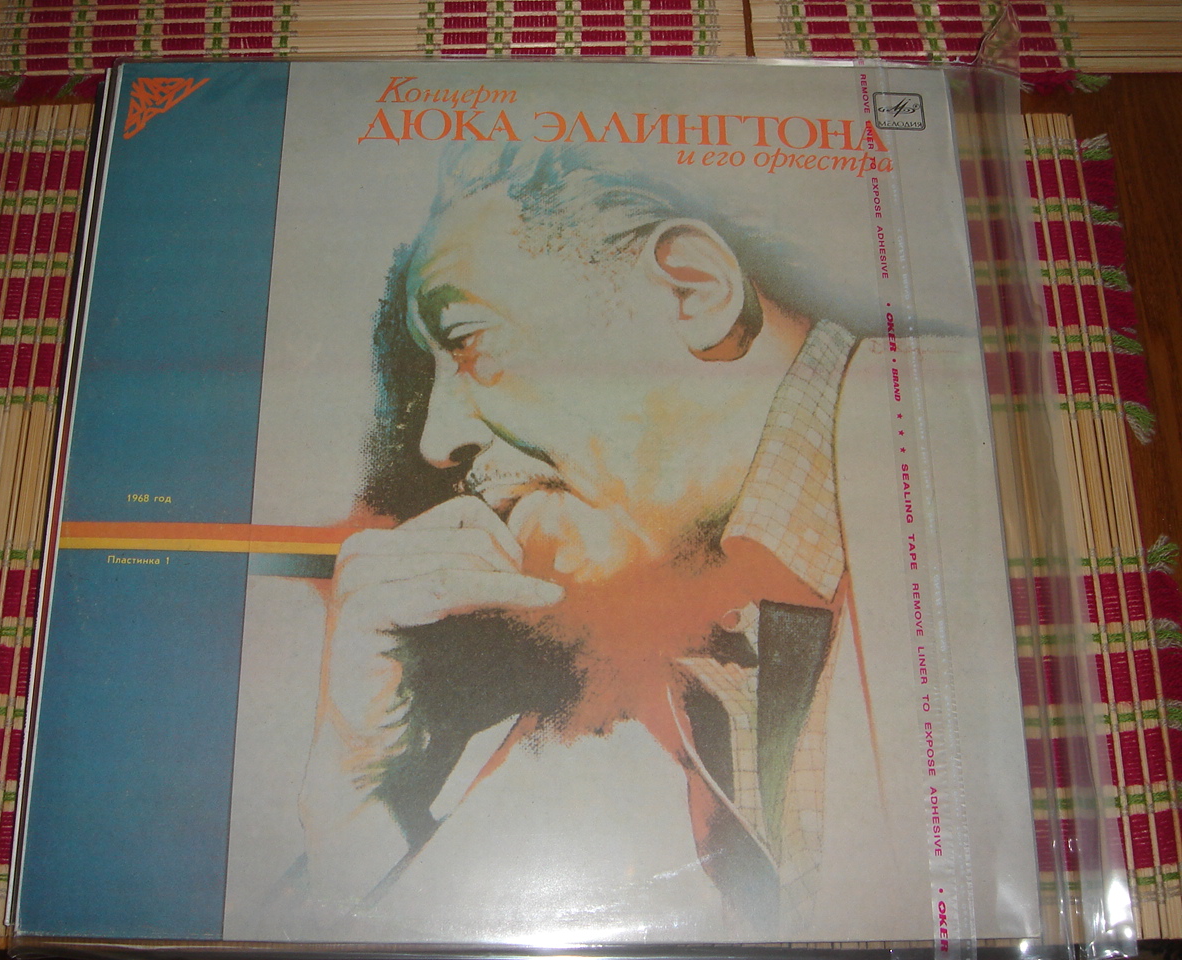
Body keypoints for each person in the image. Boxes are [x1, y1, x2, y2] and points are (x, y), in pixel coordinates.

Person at [291, 141, 1022, 943]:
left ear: (692, 290)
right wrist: (362, 791)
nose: (439, 440)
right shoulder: (650, 650)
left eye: (470, 339)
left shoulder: (1001, 453)